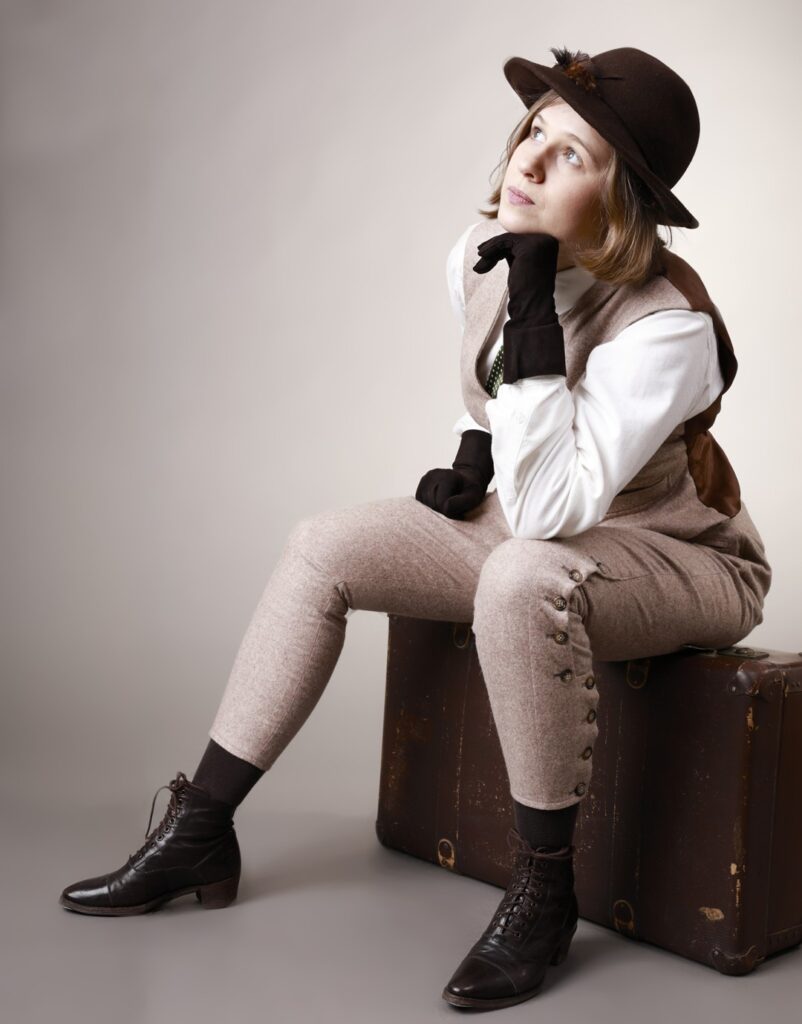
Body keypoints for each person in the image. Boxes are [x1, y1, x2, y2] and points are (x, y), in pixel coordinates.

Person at [59, 45, 772, 1013]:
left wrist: (532, 301)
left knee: (520, 576)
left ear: (623, 204)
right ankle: (200, 832)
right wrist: (470, 456)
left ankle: (544, 893)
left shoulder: (667, 325)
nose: (527, 161)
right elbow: (497, 402)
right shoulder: (481, 252)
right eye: (535, 132)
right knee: (323, 546)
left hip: (678, 554)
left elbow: (549, 512)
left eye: (572, 155)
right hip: (552, 529)